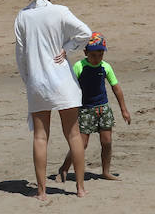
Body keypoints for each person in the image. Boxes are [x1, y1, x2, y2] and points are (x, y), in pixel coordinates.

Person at [14, 0, 92, 200]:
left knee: (40, 137)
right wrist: (66, 49)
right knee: (73, 134)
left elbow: (20, 55)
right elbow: (85, 33)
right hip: (62, 82)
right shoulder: (60, 12)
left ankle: (41, 191)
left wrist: (29, 81)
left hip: (38, 82)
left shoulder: (23, 16)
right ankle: (80, 188)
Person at [55, 32, 132, 183]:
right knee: (81, 144)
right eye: (93, 55)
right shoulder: (79, 66)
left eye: (100, 54)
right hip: (85, 110)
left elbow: (116, 88)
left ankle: (106, 171)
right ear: (85, 52)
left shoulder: (105, 67)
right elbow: (69, 86)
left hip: (103, 109)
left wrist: (124, 109)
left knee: (107, 141)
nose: (97, 58)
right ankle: (64, 168)